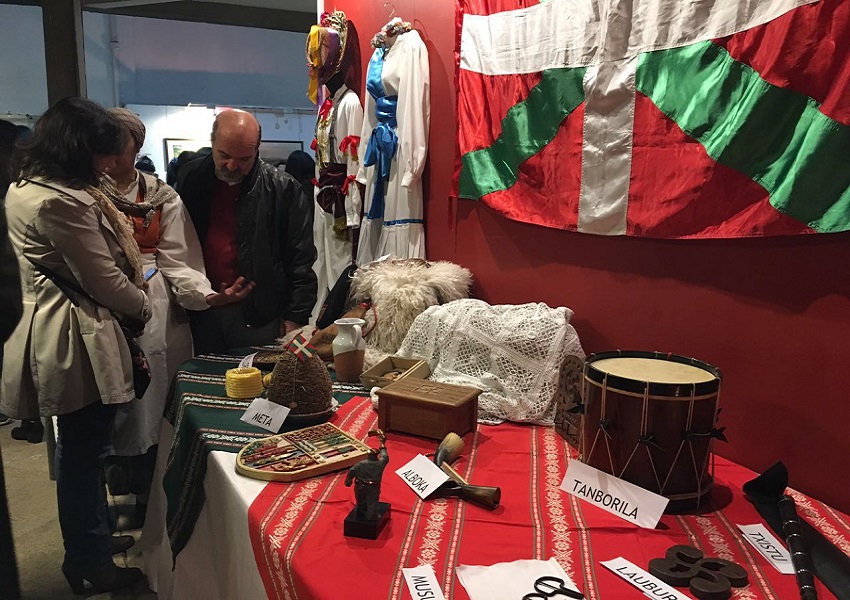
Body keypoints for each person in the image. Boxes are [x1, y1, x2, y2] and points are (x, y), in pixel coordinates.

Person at [1, 97, 148, 594]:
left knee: (81, 450)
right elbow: (103, 278)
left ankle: (93, 540)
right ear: (78, 150)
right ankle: (88, 560)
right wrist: (143, 306)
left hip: (58, 323)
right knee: (84, 452)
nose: (111, 164)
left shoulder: (29, 187)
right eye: (104, 154)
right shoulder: (59, 201)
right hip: (74, 334)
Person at [102, 108, 253, 522]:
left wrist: (206, 295)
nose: (117, 158)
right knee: (107, 411)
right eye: (109, 147)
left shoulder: (158, 194)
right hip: (96, 306)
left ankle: (153, 501)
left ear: (136, 147)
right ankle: (115, 494)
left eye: (125, 147)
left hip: (155, 310)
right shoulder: (79, 193)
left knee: (153, 406)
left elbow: (179, 259)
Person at [175, 109, 317, 353]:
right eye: (224, 155)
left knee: (256, 385)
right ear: (212, 142)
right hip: (200, 308)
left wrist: (296, 317)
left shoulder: (283, 188)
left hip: (259, 314)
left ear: (257, 150)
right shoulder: (191, 177)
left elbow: (300, 259)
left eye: (244, 159)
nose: (232, 166)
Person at [344, 429, 389, 521]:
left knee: (360, 502)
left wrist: (348, 481)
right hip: (373, 487)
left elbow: (352, 471)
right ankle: (370, 518)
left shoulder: (361, 464)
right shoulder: (381, 463)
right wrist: (382, 442)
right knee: (372, 502)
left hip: (360, 486)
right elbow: (385, 456)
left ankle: (362, 515)